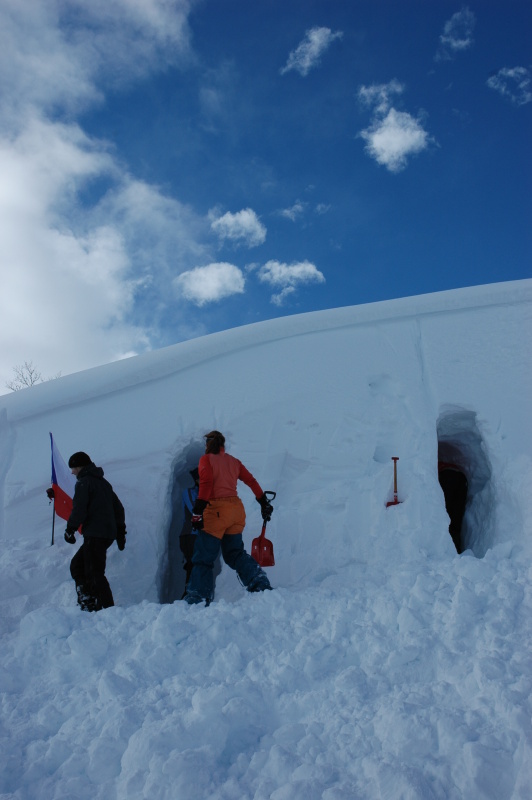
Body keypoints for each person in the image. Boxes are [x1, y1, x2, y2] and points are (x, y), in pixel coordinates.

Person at [184, 431, 274, 605]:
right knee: (235, 553)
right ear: (222, 444)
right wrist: (263, 502)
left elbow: (207, 483)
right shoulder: (234, 461)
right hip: (236, 511)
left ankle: (198, 596)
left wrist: (198, 510)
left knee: (203, 556)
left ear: (209, 444)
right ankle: (258, 582)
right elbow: (251, 481)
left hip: (216, 511)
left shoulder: (206, 459)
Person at [64, 452, 126, 611]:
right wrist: (120, 532)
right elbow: (118, 508)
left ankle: (107, 608)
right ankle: (89, 600)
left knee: (94, 572)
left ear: (80, 467)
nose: (72, 472)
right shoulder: (104, 483)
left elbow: (79, 509)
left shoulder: (85, 483)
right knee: (78, 565)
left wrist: (70, 529)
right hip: (105, 534)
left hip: (95, 533)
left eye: (74, 468)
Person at [179, 467, 200, 596]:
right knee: (192, 564)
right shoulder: (188, 492)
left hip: (199, 535)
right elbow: (195, 509)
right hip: (188, 535)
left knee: (197, 564)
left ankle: (192, 593)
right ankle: (188, 594)